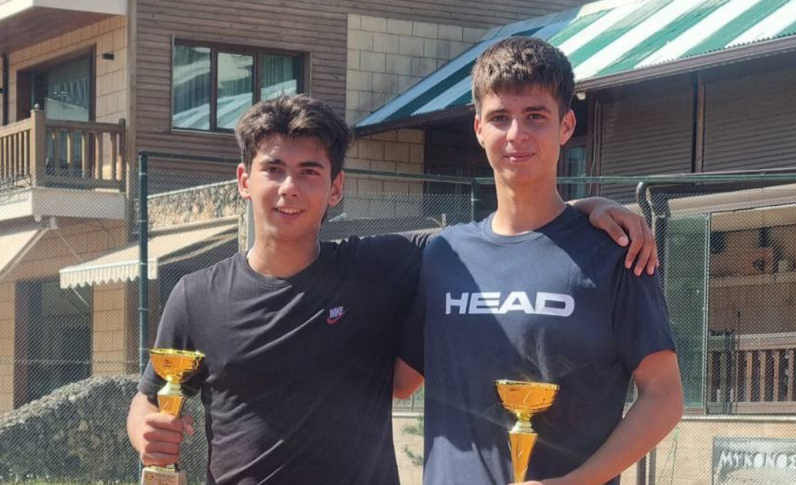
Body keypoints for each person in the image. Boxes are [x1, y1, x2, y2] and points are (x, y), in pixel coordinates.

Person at [126, 94, 661, 485]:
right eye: (274, 169)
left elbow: (502, 233)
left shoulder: (378, 267)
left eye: (309, 171)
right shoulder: (196, 296)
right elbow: (148, 400)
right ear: (245, 180)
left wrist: (585, 210)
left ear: (336, 187)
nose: (289, 188)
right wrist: (145, 430)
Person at [411, 37, 683, 485]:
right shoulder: (444, 255)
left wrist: (577, 482)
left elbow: (664, 395)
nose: (516, 134)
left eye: (535, 116)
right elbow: (397, 379)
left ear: (566, 125)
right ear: (478, 128)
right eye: (500, 118)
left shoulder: (615, 251)